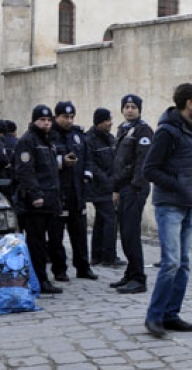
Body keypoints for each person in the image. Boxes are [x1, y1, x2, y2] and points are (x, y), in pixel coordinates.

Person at [142, 83, 192, 337]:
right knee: (171, 263)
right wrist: (177, 185)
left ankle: (171, 315)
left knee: (184, 264)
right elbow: (149, 169)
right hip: (169, 207)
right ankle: (154, 317)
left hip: (188, 206)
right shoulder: (167, 131)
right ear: (189, 103)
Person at [13, 104, 63, 294]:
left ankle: (43, 278)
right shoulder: (28, 141)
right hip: (36, 203)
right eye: (42, 120)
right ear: (34, 121)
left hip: (50, 200)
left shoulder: (49, 141)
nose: (46, 123)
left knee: (51, 241)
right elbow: (25, 171)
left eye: (49, 120)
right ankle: (39, 280)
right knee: (37, 244)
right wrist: (35, 195)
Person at [48, 101, 98, 282]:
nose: (69, 121)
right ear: (57, 117)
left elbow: (88, 158)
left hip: (77, 192)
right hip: (59, 193)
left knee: (80, 234)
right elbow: (45, 161)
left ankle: (83, 267)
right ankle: (59, 270)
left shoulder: (78, 135)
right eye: (65, 117)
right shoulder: (50, 135)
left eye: (71, 117)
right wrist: (61, 162)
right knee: (56, 236)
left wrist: (87, 175)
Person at [110, 94, 154, 294]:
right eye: (126, 106)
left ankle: (139, 278)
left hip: (135, 188)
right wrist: (116, 189)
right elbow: (118, 163)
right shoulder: (123, 130)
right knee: (125, 233)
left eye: (133, 107)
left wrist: (135, 188)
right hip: (124, 187)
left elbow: (142, 162)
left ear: (139, 109)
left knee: (131, 234)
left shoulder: (143, 131)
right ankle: (130, 273)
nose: (129, 110)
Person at [86, 108, 125, 267]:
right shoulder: (89, 140)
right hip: (99, 187)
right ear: (100, 122)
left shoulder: (110, 138)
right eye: (107, 120)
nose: (111, 123)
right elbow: (91, 164)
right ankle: (109, 257)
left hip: (111, 185)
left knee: (102, 221)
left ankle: (97, 256)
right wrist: (107, 181)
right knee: (110, 220)